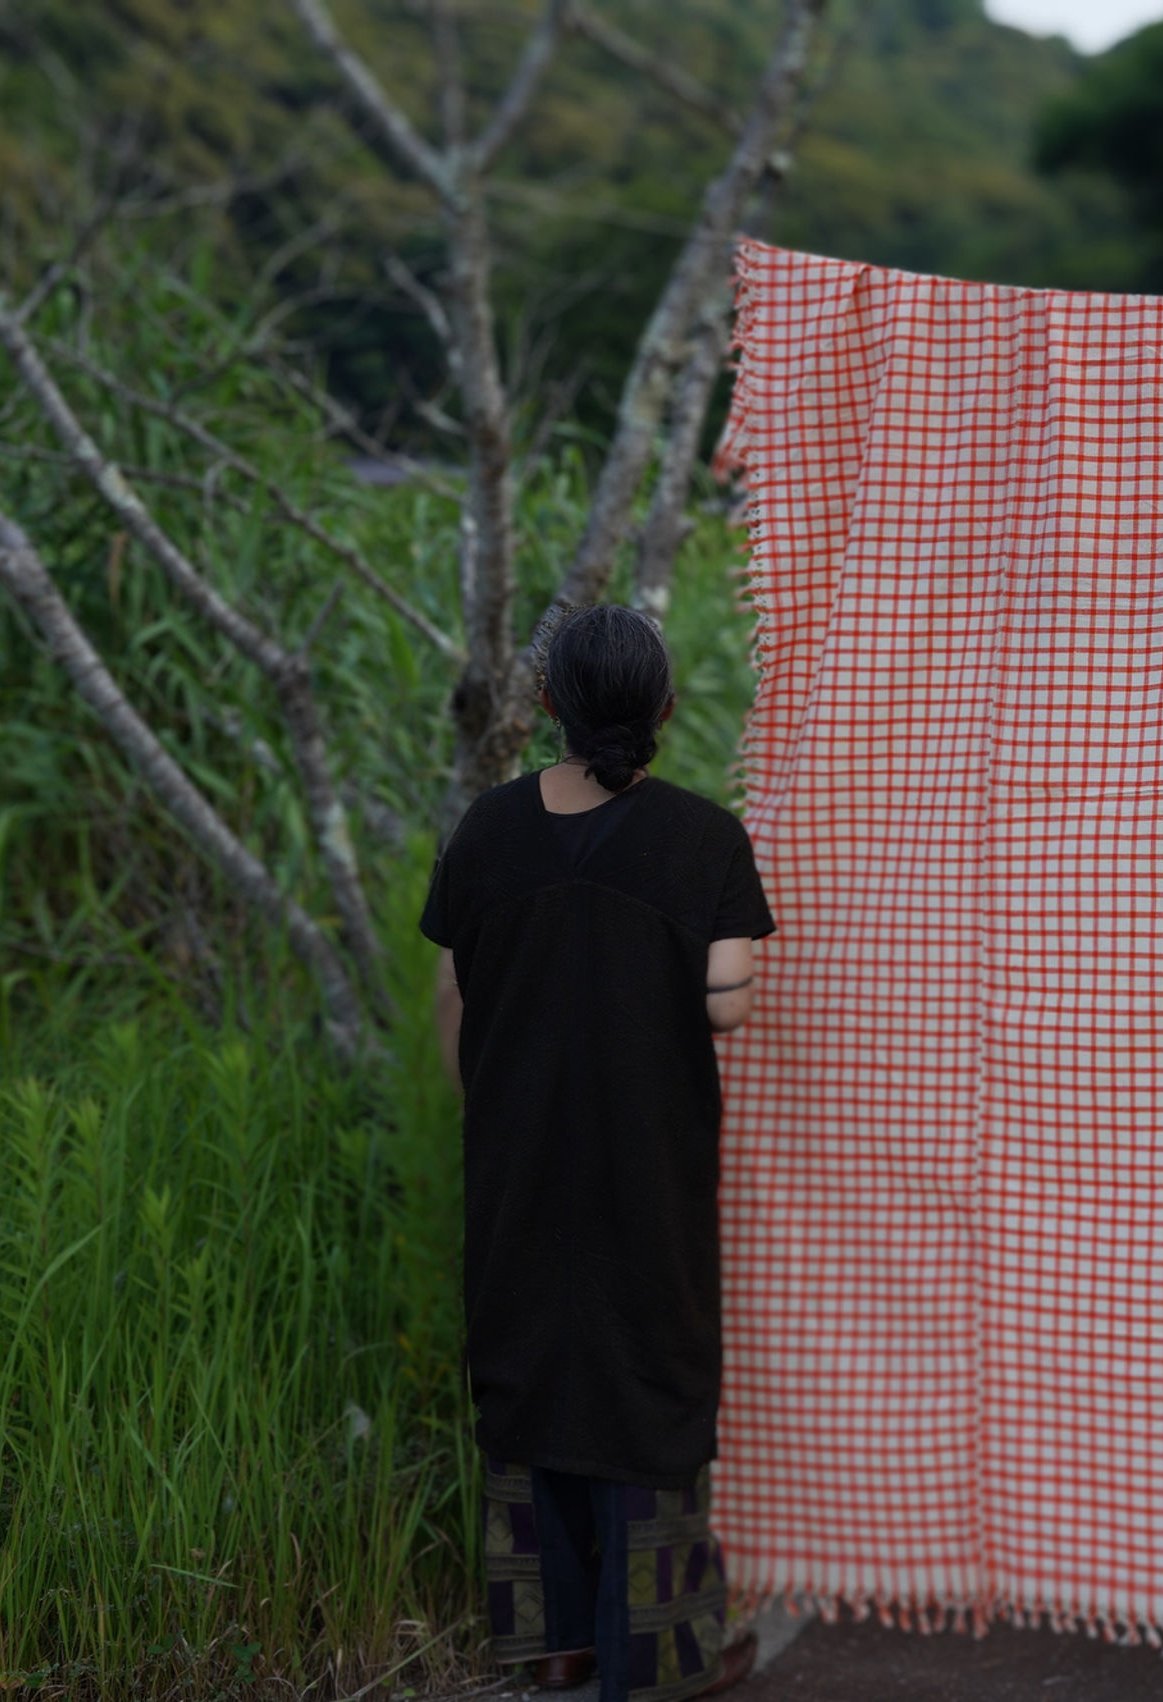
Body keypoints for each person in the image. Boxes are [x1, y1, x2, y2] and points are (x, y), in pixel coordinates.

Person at [423, 603, 773, 1702]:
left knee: (526, 1365)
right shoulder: (702, 836)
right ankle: (658, 1647)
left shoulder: (487, 829)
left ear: (547, 710)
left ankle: (552, 1642)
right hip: (649, 1161)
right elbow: (724, 1006)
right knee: (647, 1374)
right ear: (664, 708)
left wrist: (483, 1102)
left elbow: (452, 990)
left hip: (516, 1153)